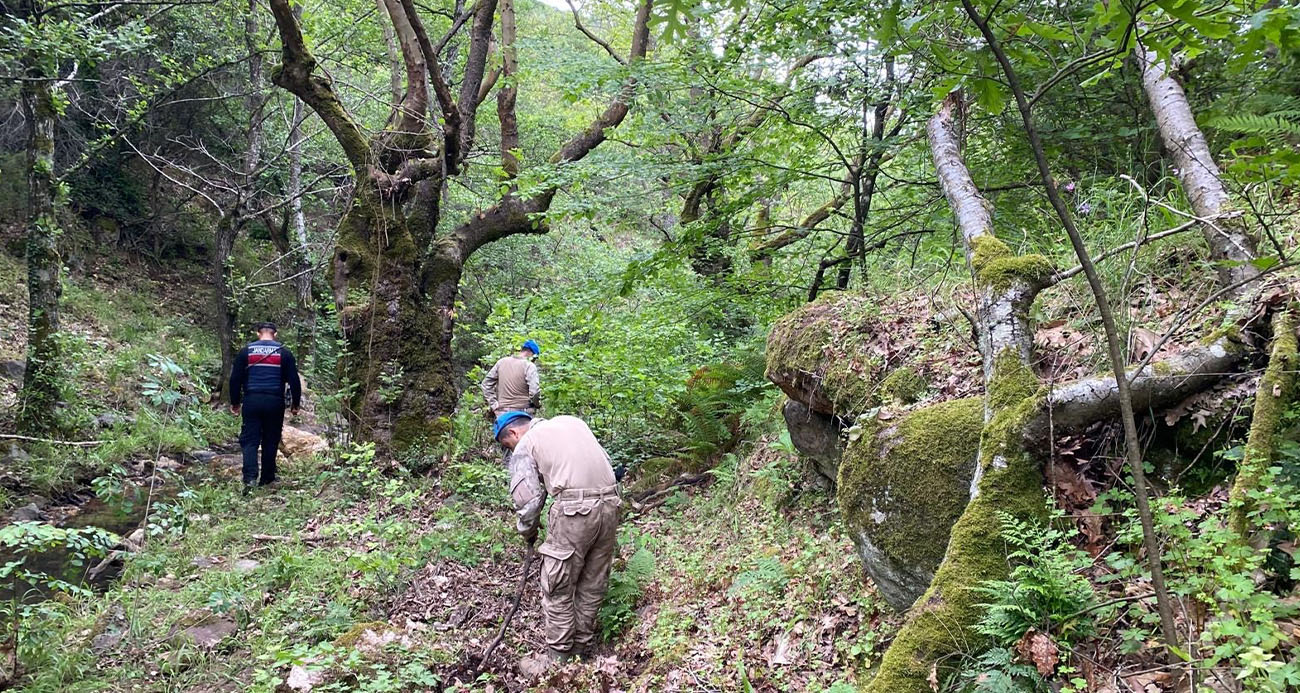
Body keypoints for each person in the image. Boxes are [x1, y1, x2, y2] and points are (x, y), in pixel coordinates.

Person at [495, 411, 619, 663]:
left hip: (574, 512)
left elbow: (528, 501)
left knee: (557, 586)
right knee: (592, 583)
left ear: (514, 432)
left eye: (508, 445)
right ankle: (579, 653)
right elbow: (608, 465)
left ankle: (558, 661)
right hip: (611, 503)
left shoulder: (527, 443)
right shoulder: (573, 422)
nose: (512, 450)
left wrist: (528, 531)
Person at [229, 322, 302, 494]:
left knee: (250, 440)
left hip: (251, 400)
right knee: (271, 439)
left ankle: (250, 479)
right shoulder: (284, 352)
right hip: (274, 401)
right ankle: (267, 478)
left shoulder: (246, 351)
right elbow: (294, 381)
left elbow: (235, 379)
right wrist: (295, 404)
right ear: (275, 334)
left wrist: (235, 402)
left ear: (258, 333)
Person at [480, 340, 541, 418]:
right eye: (535, 358)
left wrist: (494, 404)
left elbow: (485, 384)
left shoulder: (501, 362)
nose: (534, 361)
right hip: (523, 412)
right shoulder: (529, 366)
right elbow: (534, 392)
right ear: (531, 353)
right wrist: (537, 404)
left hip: (501, 413)